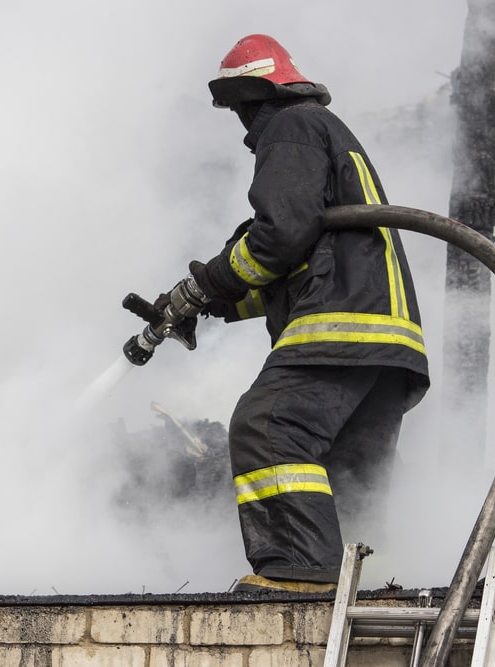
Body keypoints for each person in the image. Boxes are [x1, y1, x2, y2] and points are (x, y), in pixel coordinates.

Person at [164, 34, 431, 593]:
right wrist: (211, 303)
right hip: (387, 340)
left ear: (255, 94)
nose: (239, 120)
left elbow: (281, 235)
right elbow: (297, 264)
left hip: (343, 324)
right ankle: (367, 583)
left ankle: (303, 571)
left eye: (239, 105)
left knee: (269, 427)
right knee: (348, 473)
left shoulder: (292, 126)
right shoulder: (324, 134)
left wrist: (204, 282)